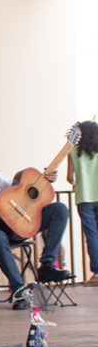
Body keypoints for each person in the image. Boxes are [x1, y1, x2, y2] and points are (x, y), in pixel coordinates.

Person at [0, 169, 70, 309]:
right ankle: (19, 289)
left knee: (59, 209)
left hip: (19, 223)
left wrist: (42, 182)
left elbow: (21, 186)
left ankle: (47, 264)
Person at [68, 120, 98, 286]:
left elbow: (69, 177)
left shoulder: (73, 152)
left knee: (92, 235)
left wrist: (75, 182)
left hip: (84, 198)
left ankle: (97, 272)